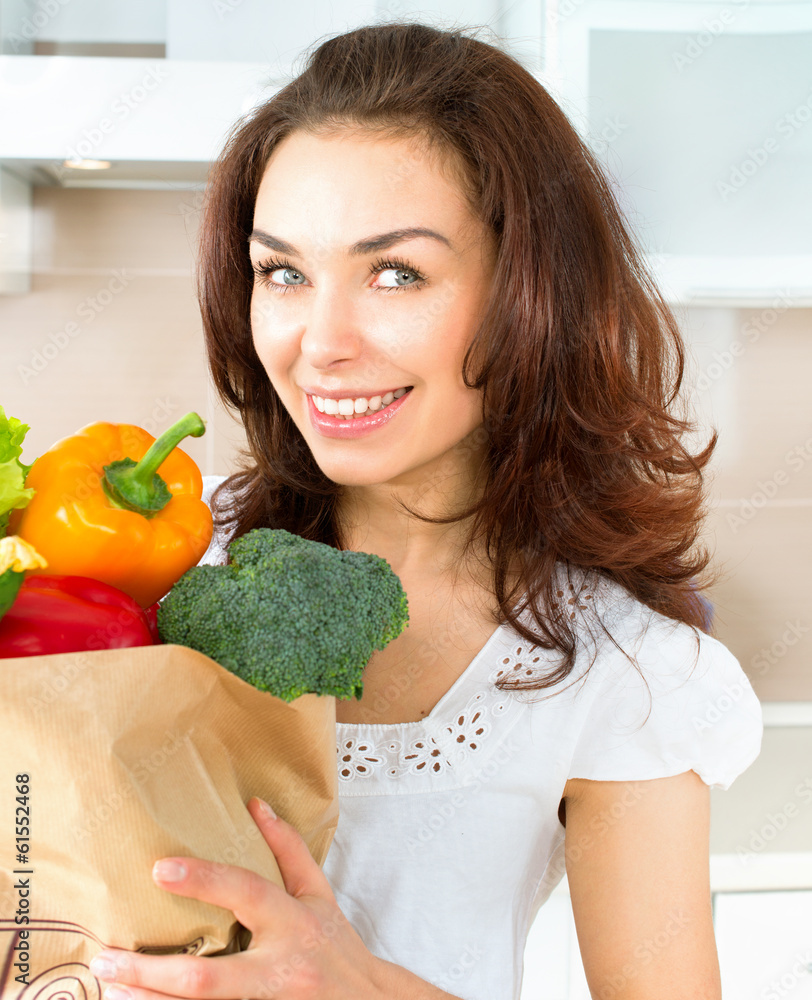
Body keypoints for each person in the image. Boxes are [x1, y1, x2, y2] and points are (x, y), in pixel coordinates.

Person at [88, 20, 763, 1000]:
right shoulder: (158, 580)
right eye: (282, 271)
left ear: (529, 294)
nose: (320, 342)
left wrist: (355, 985)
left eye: (394, 273)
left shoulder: (626, 674)